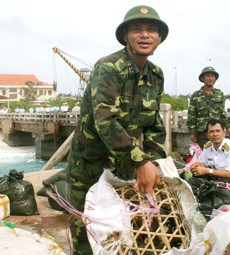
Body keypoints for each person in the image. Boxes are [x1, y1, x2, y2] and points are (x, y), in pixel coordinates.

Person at [64, 5, 169, 254]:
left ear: (160, 38)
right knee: (87, 232)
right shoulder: (109, 68)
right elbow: (105, 121)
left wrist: (151, 161)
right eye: (137, 29)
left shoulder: (156, 75)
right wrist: (141, 162)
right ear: (125, 36)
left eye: (151, 30)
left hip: (123, 167)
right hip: (89, 167)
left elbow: (155, 123)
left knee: (119, 233)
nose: (145, 35)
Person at [190, 119, 230, 195]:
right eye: (211, 131)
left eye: (218, 131)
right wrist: (197, 166)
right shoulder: (207, 146)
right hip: (218, 179)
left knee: (220, 184)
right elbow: (203, 163)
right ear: (207, 135)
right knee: (197, 175)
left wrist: (207, 170)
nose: (215, 134)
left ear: (224, 133)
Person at [187, 66, 230, 148]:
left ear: (215, 79)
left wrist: (228, 126)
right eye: (208, 76)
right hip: (202, 133)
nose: (210, 78)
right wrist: (192, 132)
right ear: (203, 78)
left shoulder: (219, 94)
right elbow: (191, 115)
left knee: (219, 154)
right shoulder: (196, 95)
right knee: (205, 156)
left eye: (212, 76)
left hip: (217, 131)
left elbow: (222, 112)